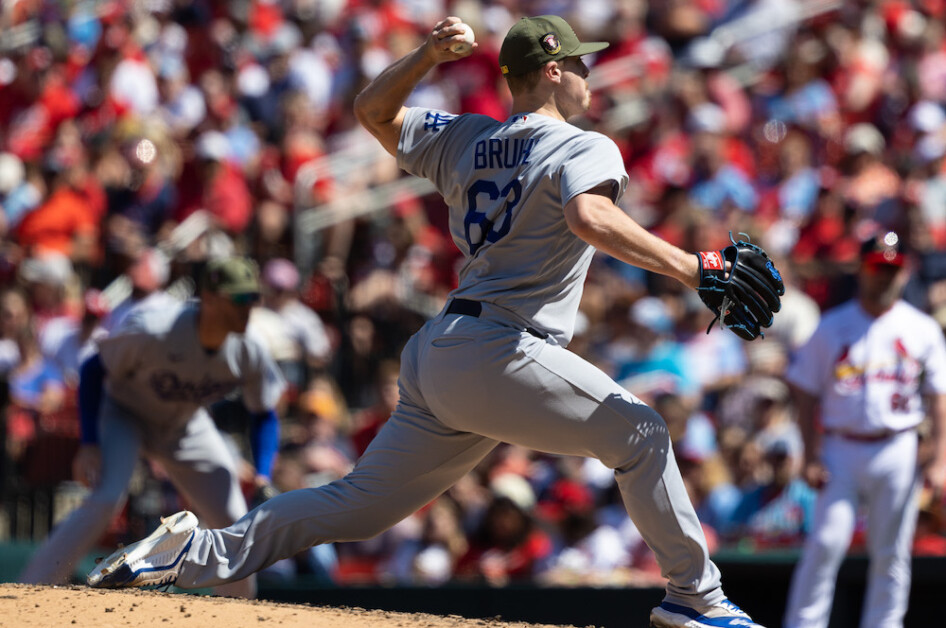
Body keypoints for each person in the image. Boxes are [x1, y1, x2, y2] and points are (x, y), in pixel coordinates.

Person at [87, 15, 765, 627]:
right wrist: (692, 266)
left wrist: (424, 56)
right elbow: (589, 218)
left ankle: (189, 550)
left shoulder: (466, 137)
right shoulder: (584, 145)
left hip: (442, 351)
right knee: (642, 434)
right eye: (581, 63)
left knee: (357, 506)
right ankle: (696, 599)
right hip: (503, 346)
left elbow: (371, 111)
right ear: (554, 71)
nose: (590, 74)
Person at [20, 257, 285, 599]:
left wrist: (263, 475)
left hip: (184, 423)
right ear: (209, 297)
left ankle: (241, 612)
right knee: (105, 499)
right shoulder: (156, 328)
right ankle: (30, 591)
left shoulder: (249, 349)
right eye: (239, 298)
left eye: (253, 298)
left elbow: (264, 412)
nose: (248, 308)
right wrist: (89, 444)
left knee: (234, 516)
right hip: (124, 412)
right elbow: (93, 369)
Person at [783, 231, 946, 628]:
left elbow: (939, 397)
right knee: (825, 543)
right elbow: (805, 392)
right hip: (841, 446)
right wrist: (810, 453)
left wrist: (940, 459)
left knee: (891, 551)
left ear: (905, 273)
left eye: (892, 269)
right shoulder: (833, 325)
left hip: (898, 446)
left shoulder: (921, 328)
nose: (884, 277)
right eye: (877, 268)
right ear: (862, 270)